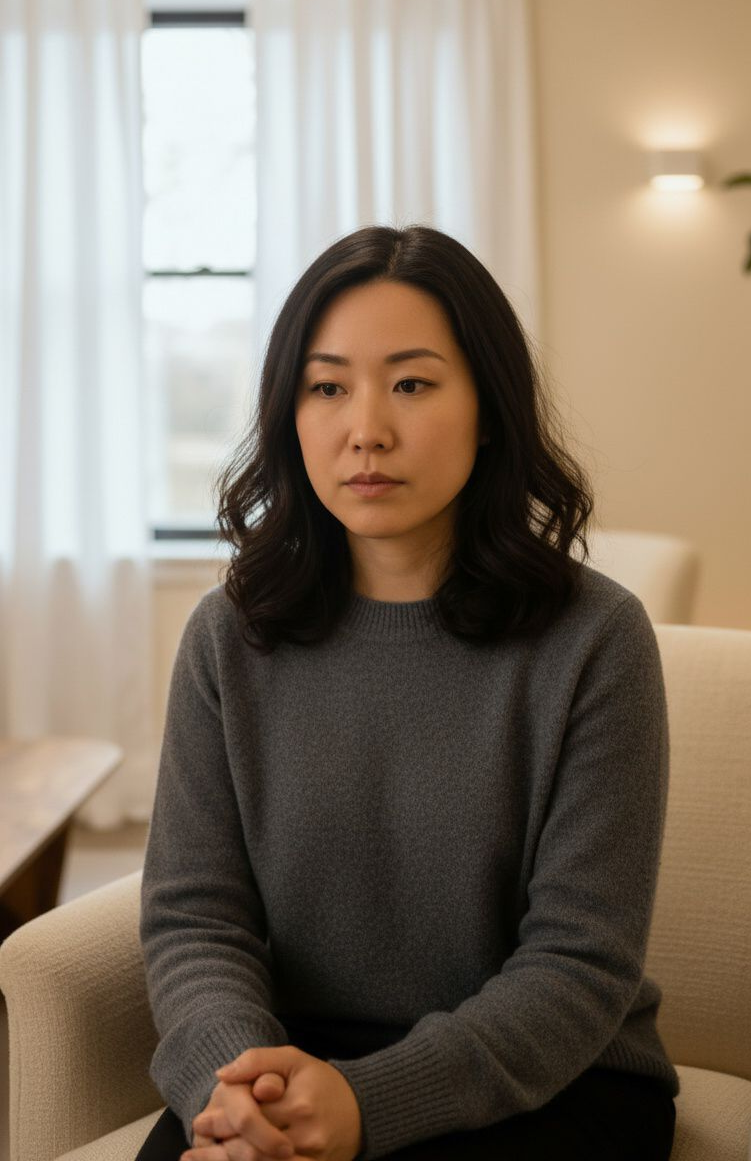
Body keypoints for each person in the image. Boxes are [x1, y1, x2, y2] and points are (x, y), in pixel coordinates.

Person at [136, 223, 679, 1161]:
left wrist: (364, 1104)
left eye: (413, 383)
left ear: (490, 409)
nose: (366, 430)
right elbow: (195, 919)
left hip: (551, 1079)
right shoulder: (228, 637)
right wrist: (237, 1090)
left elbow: (579, 965)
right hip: (291, 1067)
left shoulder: (597, 640)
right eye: (328, 386)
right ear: (288, 412)